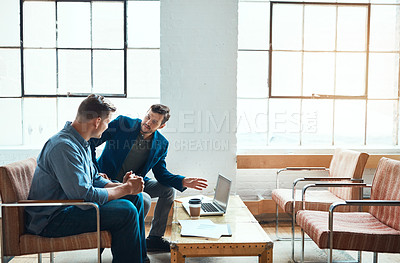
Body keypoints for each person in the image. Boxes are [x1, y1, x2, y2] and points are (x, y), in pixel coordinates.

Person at [25, 94, 149, 263]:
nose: (107, 127)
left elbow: (94, 179)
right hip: (52, 218)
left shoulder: (80, 142)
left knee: (135, 197)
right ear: (97, 121)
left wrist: (122, 186)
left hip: (68, 207)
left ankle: (140, 260)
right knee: (126, 211)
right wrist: (125, 188)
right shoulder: (63, 147)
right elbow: (83, 196)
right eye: (107, 122)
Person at [90, 104, 208, 252]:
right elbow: (91, 142)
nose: (148, 122)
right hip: (108, 182)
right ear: (145, 113)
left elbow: (160, 173)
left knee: (168, 190)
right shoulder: (122, 124)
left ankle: (154, 238)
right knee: (143, 197)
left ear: (162, 126)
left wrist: (182, 180)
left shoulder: (162, 144)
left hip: (134, 182)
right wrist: (95, 171)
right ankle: (132, 239)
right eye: (148, 117)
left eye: (154, 122)